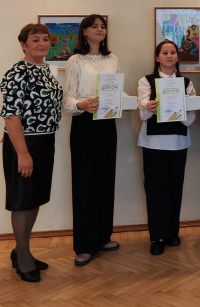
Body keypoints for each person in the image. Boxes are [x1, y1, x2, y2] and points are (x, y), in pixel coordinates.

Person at [1, 23, 63, 282]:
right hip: (24, 145)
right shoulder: (16, 73)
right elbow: (11, 116)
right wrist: (23, 154)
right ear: (23, 45)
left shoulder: (47, 70)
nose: (41, 44)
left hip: (45, 142)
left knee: (35, 198)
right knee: (22, 200)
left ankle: (21, 249)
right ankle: (23, 256)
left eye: (45, 39)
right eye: (35, 39)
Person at [63, 14, 120, 266]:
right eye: (94, 26)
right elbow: (68, 100)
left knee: (106, 179)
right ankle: (85, 245)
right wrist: (82, 105)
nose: (100, 29)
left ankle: (103, 236)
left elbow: (114, 90)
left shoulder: (112, 58)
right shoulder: (75, 60)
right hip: (84, 125)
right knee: (84, 182)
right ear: (84, 31)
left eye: (102, 26)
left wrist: (125, 99)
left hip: (108, 123)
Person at [137, 40, 196, 256]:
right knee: (155, 190)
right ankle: (157, 236)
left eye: (172, 52)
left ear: (177, 57)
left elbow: (191, 115)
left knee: (175, 188)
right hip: (153, 143)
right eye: (165, 52)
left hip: (178, 142)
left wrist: (183, 107)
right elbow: (142, 110)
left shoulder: (186, 82)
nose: (169, 55)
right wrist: (149, 106)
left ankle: (172, 232)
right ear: (157, 57)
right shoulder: (146, 81)